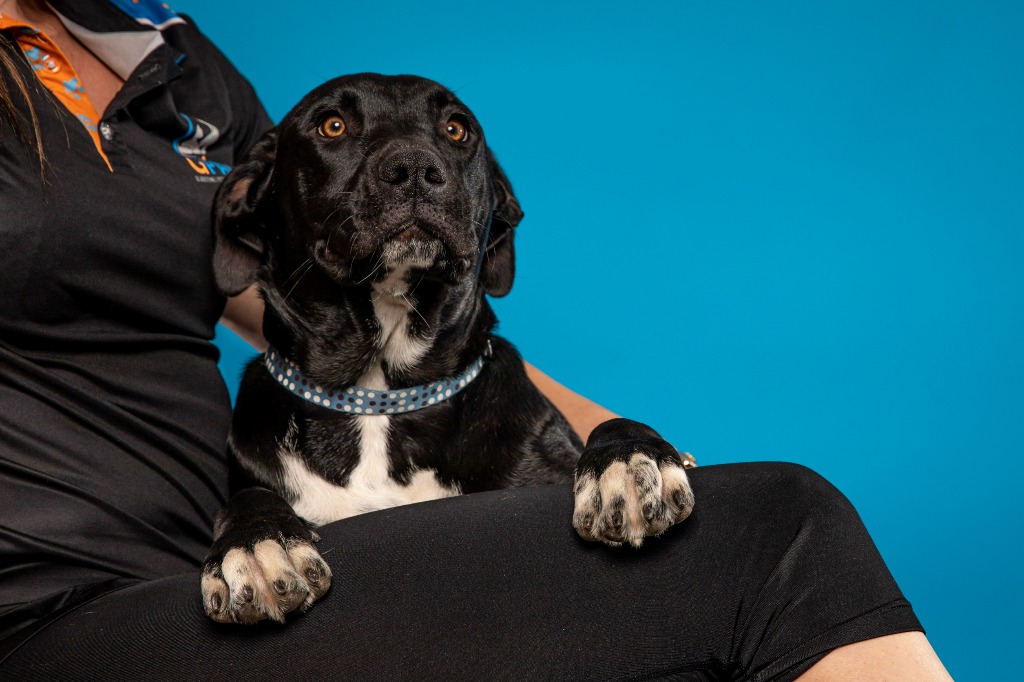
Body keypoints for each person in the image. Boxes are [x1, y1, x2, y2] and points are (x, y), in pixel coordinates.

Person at [0, 1, 952, 679]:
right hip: (60, 604)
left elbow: (283, 283)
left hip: (227, 565)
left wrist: (615, 439)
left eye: (443, 146)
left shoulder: (169, 51)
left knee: (712, 573)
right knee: (780, 530)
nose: (411, 164)